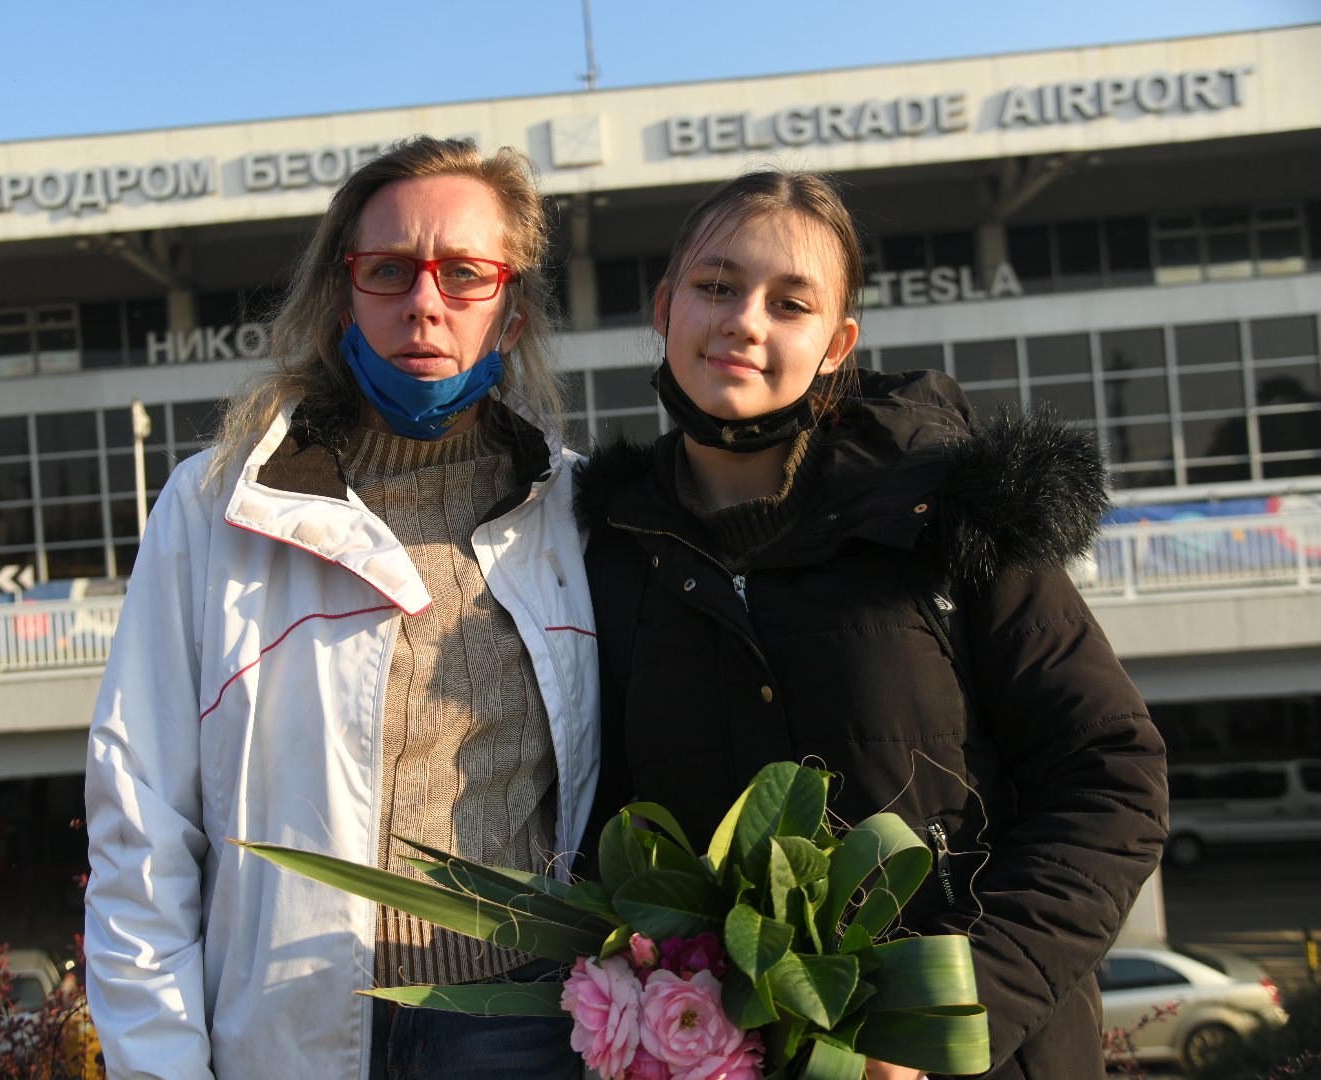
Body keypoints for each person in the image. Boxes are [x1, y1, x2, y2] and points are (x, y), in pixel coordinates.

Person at [575, 171, 1169, 1080]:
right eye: (716, 286)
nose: (744, 321)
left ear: (836, 346)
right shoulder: (605, 554)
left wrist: (951, 1014)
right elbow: (599, 845)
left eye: (792, 302)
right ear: (665, 306)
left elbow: (1112, 778)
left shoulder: (952, 513)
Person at [84, 137, 597, 1080]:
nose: (425, 302)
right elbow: (140, 819)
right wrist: (157, 1064)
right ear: (343, 291)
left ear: (514, 310)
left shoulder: (576, 513)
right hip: (294, 1026)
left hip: (522, 1024)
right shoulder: (213, 506)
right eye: (389, 270)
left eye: (465, 274)